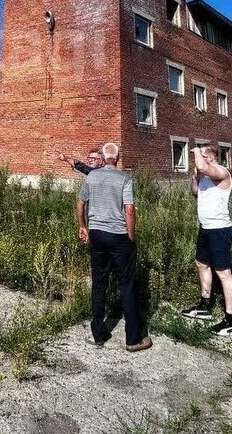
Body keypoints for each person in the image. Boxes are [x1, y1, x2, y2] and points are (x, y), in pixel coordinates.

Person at [76, 142, 152, 352]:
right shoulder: (124, 179)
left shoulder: (92, 176)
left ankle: (98, 334)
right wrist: (131, 237)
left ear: (103, 157)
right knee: (126, 284)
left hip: (97, 235)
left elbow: (80, 203)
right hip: (118, 236)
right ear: (117, 159)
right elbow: (129, 210)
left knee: (99, 283)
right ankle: (133, 339)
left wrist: (83, 227)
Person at [181, 145, 232, 336]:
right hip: (205, 228)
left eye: (203, 156)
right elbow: (196, 193)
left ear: (211, 158)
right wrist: (194, 178)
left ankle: (231, 321)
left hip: (220, 230)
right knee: (201, 264)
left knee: (223, 272)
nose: (198, 160)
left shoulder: (222, 173)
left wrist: (196, 150)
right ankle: (205, 305)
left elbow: (204, 166)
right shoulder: (206, 176)